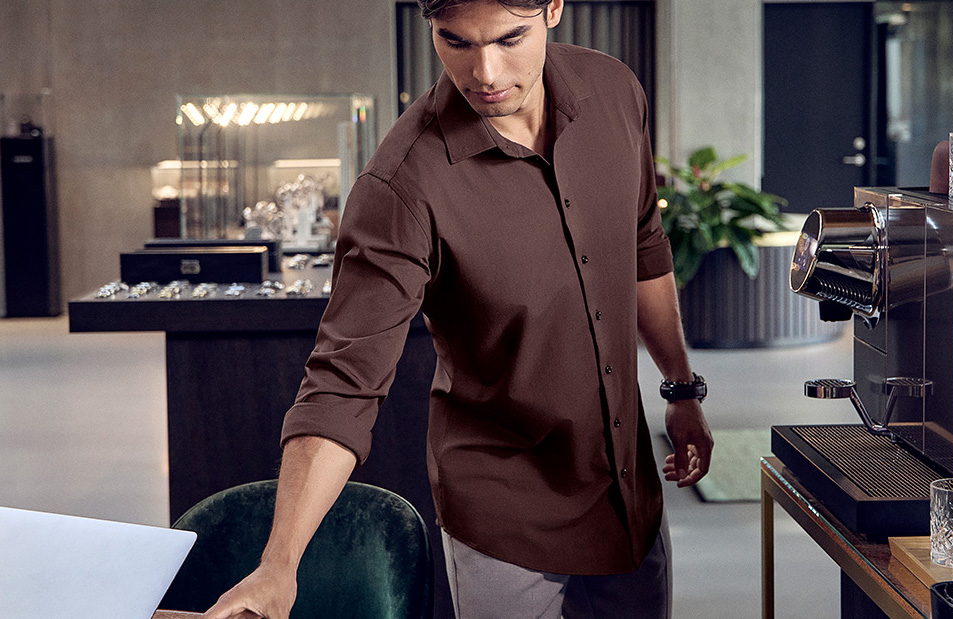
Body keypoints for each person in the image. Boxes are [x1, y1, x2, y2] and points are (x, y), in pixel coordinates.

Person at [203, 0, 713, 617]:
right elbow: (342, 384)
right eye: (457, 42)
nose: (485, 73)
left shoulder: (614, 90)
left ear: (553, 9)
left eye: (509, 39)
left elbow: (643, 245)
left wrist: (681, 389)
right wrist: (279, 564)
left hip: (628, 496)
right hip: (506, 514)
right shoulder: (401, 186)